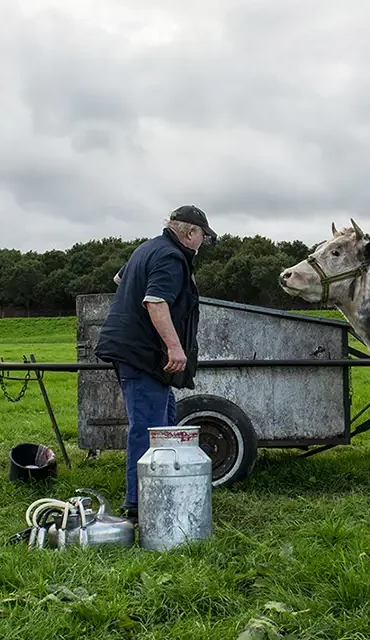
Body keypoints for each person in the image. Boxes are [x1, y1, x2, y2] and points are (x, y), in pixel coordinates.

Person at [94, 205, 217, 519]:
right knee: (148, 430)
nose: (202, 243)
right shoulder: (170, 257)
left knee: (165, 419)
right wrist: (175, 347)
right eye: (202, 236)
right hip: (142, 354)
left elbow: (120, 278)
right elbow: (155, 301)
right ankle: (137, 504)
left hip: (135, 350)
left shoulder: (147, 248)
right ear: (190, 233)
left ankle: (161, 487)